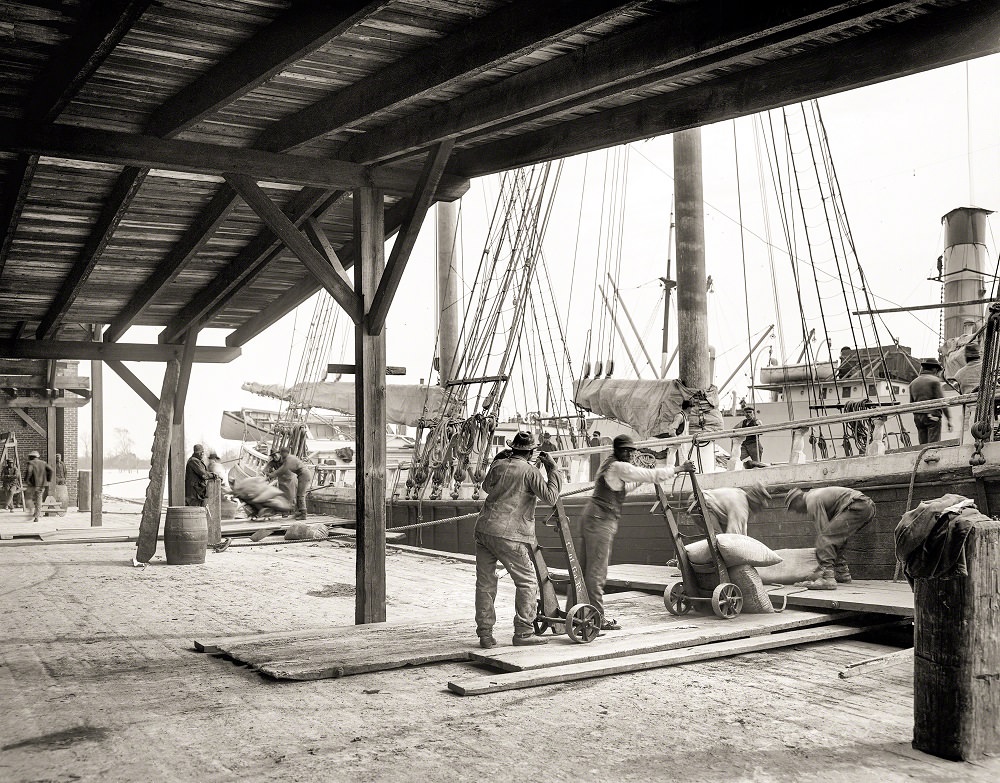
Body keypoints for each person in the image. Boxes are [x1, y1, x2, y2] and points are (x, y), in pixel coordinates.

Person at [581, 434, 694, 630]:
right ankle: (596, 618)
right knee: (597, 572)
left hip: (593, 517)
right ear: (617, 450)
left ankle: (582, 613)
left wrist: (641, 479)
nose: (628, 454)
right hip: (601, 520)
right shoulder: (619, 466)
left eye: (630, 451)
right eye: (625, 450)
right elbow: (650, 475)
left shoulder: (612, 465)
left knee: (585, 570)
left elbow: (626, 485)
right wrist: (679, 468)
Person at [474, 431, 562, 649]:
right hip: (509, 534)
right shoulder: (530, 471)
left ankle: (485, 635)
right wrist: (552, 468)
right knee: (527, 581)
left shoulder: (499, 465)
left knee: (485, 584)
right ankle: (523, 632)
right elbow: (551, 497)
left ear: (512, 448)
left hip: (484, 529)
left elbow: (486, 488)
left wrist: (497, 460)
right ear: (531, 452)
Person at [784, 486, 876, 590]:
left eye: (794, 507)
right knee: (837, 539)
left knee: (825, 538)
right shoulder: (816, 495)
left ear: (799, 499)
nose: (797, 511)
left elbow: (824, 533)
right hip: (866, 506)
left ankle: (827, 578)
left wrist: (821, 566)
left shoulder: (811, 500)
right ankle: (841, 573)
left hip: (857, 505)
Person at [185, 445, 230, 552]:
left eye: (202, 452)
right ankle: (195, 542)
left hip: (198, 493)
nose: (202, 454)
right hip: (193, 494)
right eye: (201, 452)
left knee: (198, 517)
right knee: (195, 518)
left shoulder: (197, 461)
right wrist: (214, 475)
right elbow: (204, 475)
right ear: (196, 452)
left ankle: (199, 540)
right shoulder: (194, 461)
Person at [698, 483, 772, 536]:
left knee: (722, 539)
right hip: (700, 502)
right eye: (759, 507)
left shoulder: (742, 496)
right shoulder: (740, 508)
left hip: (707, 504)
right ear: (754, 502)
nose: (758, 511)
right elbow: (734, 537)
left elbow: (742, 535)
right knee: (718, 540)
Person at [908, 357, 951, 444]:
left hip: (918, 417)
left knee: (922, 444)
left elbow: (911, 403)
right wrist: (948, 419)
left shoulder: (913, 383)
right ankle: (931, 457)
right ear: (935, 369)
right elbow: (942, 402)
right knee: (933, 444)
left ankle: (923, 456)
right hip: (932, 416)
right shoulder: (934, 381)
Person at [267, 446, 313, 520]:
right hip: (301, 475)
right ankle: (299, 512)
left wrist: (271, 475)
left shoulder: (289, 459)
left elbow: (282, 470)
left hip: (304, 475)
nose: (275, 457)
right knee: (297, 495)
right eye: (273, 456)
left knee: (300, 495)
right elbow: (271, 467)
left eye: (276, 454)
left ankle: (303, 514)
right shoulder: (286, 459)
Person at [23, 451, 52, 522]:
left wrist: (26, 480)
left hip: (32, 485)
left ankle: (31, 511)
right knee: (39, 500)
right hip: (42, 485)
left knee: (28, 498)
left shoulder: (31, 463)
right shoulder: (44, 463)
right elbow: (51, 470)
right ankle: (36, 517)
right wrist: (48, 479)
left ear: (31, 457)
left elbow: (29, 472)